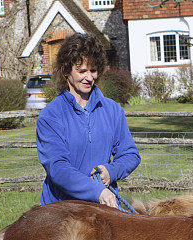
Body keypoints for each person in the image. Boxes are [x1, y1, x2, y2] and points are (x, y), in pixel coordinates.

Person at [36, 33, 140, 207]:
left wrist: (111, 171)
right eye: (82, 71)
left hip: (104, 207)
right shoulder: (51, 115)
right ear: (66, 71)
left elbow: (130, 154)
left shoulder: (113, 110)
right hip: (61, 209)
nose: (89, 77)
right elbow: (58, 168)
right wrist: (96, 190)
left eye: (93, 70)